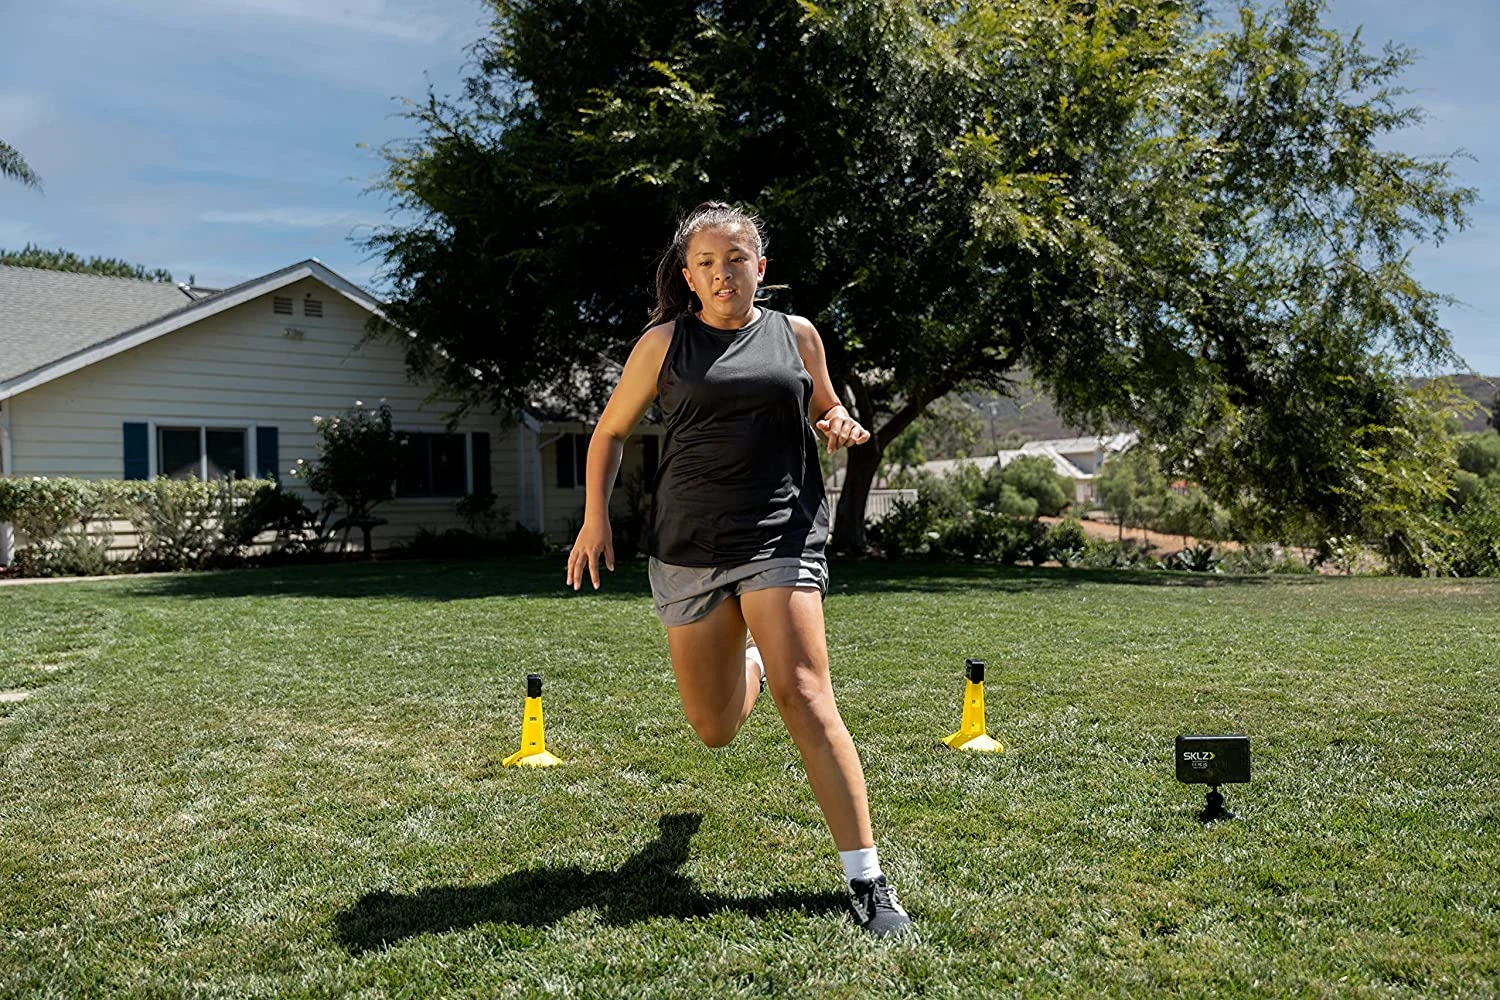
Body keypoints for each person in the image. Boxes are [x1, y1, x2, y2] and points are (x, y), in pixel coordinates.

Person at [565, 201, 913, 939]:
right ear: (689, 277)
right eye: (706, 263)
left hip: (781, 532)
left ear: (761, 267)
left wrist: (838, 420)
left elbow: (825, 407)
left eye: (735, 259)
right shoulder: (664, 343)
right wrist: (596, 517)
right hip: (688, 544)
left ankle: (867, 880)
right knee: (714, 727)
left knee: (806, 694)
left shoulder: (797, 334)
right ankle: (751, 659)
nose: (722, 274)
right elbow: (610, 432)